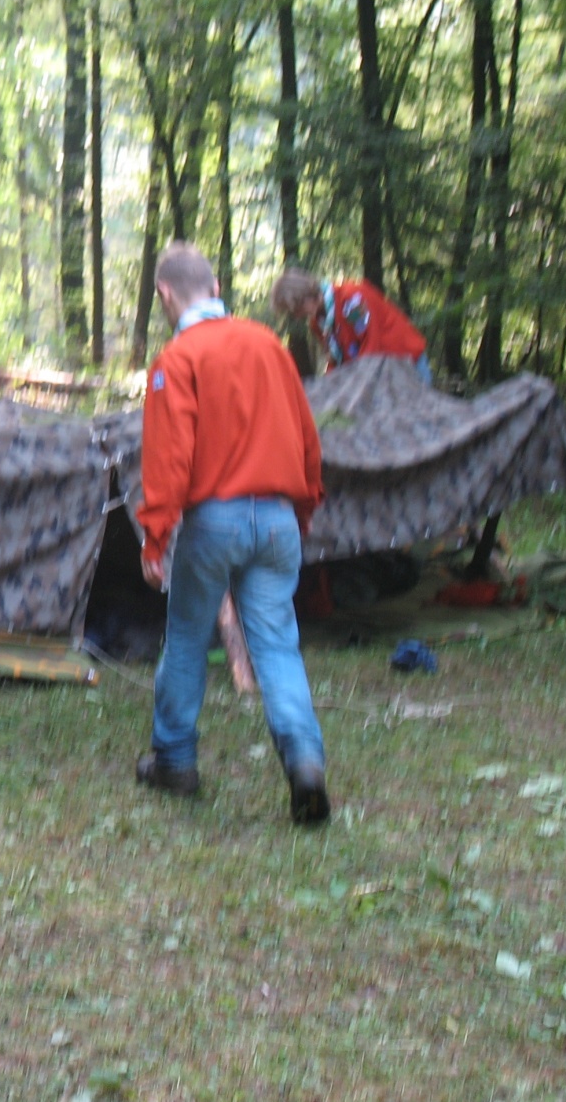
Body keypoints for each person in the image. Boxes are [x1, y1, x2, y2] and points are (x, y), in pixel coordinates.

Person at [136, 242, 331, 825]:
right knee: (277, 645)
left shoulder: (177, 359)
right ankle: (304, 758)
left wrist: (155, 536)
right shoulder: (269, 346)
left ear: (165, 296)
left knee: (190, 639)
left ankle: (173, 760)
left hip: (213, 521)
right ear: (216, 286)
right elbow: (306, 437)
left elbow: (169, 459)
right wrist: (303, 508)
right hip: (275, 519)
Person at [269, 267, 431, 384]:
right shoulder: (319, 323)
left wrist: (354, 383)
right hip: (378, 373)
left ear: (305, 297)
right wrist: (331, 384)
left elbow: (371, 343)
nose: (297, 316)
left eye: (297, 309)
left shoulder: (351, 300)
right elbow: (335, 360)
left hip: (404, 361)